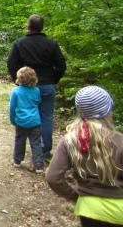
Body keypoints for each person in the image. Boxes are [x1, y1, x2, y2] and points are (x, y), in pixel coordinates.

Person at [46, 86, 123, 226]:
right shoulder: (120, 140)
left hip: (88, 209)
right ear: (108, 111)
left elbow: (52, 177)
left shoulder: (70, 140)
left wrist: (75, 195)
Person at [7, 14, 67, 161]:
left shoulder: (19, 43)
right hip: (47, 85)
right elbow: (61, 65)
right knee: (46, 118)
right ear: (42, 27)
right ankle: (44, 152)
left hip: (26, 87)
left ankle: (21, 153)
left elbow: (11, 63)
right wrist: (53, 79)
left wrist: (18, 81)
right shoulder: (51, 43)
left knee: (25, 114)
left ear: (28, 26)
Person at [9, 67, 43, 173]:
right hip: (35, 121)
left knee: (20, 141)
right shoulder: (36, 90)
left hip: (21, 122)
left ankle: (17, 161)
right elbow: (38, 101)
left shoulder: (15, 91)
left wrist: (12, 120)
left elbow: (12, 107)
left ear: (19, 78)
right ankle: (38, 166)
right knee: (36, 143)